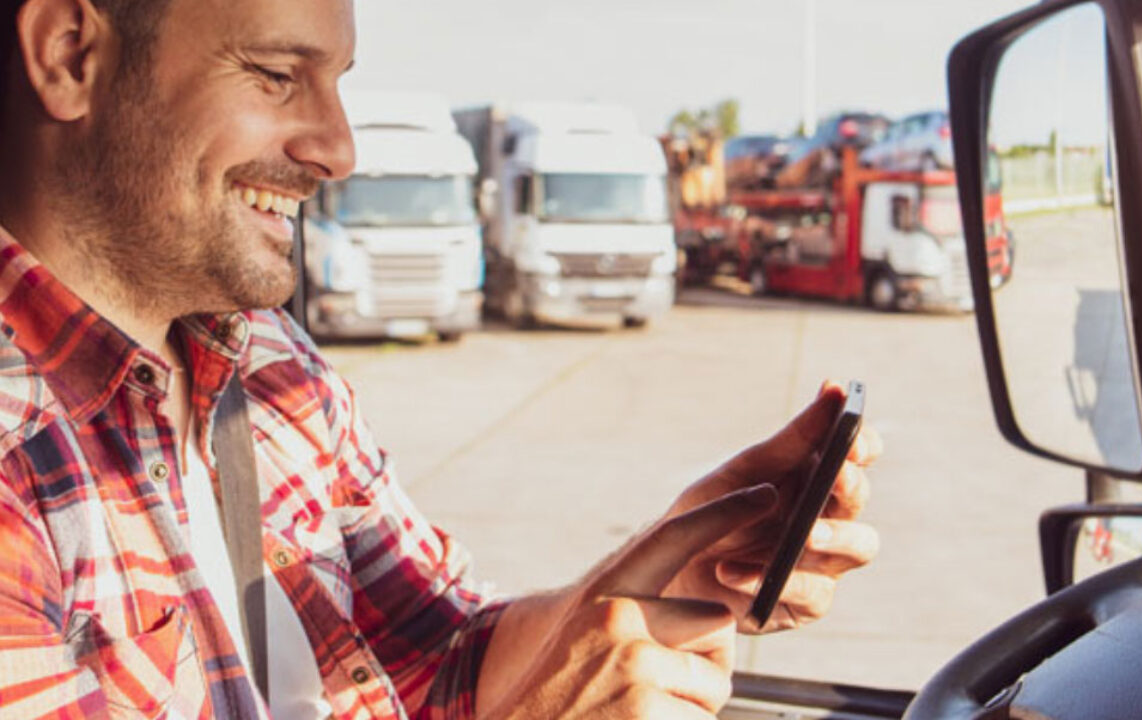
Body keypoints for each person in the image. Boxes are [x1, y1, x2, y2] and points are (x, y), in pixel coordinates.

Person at [0, 0, 881, 718]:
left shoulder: (270, 364)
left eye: (338, 86)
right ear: (70, 54)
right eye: (276, 76)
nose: (338, 150)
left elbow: (443, 649)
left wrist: (662, 572)